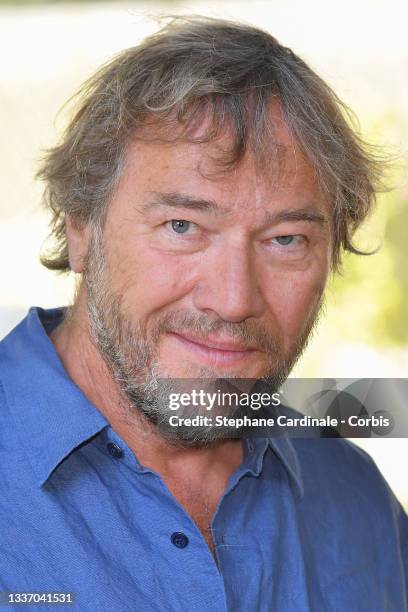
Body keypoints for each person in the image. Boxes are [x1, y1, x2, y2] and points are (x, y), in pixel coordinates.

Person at [0, 16, 406, 611]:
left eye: (286, 239)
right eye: (183, 226)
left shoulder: (356, 499)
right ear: (80, 226)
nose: (235, 299)